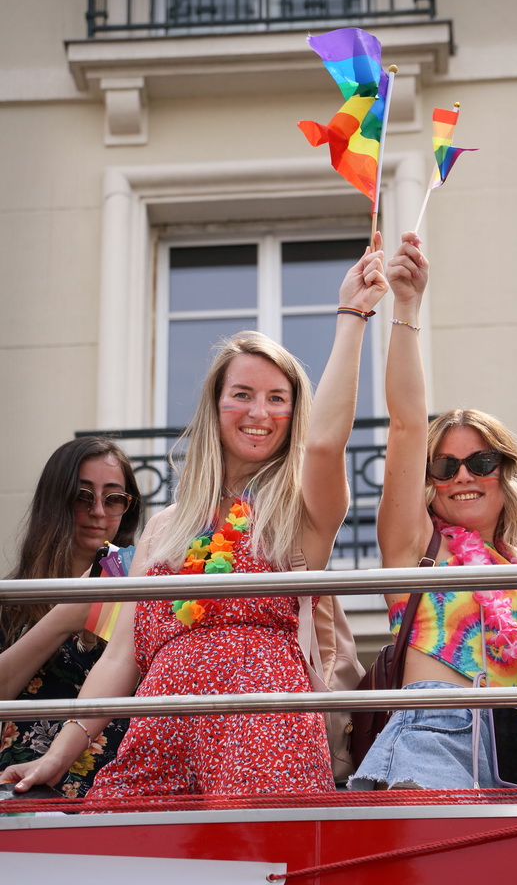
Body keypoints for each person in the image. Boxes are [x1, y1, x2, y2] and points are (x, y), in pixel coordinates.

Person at [1, 239, 388, 798]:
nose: (260, 413)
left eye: (279, 399)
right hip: (157, 730)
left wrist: (352, 316)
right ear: (215, 406)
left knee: (265, 874)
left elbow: (326, 446)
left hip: (260, 729)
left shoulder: (298, 508)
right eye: (244, 395)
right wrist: (58, 756)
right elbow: (123, 656)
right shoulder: (165, 526)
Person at [349, 232, 517, 791]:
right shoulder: (416, 545)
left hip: (515, 750)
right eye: (445, 466)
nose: (462, 474)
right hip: (432, 738)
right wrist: (407, 307)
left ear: (505, 472)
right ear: (430, 483)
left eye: (479, 460)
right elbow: (408, 424)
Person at [0, 437, 141, 796]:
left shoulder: (145, 592)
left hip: (121, 789)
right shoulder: (11, 598)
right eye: (82, 496)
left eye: (113, 499)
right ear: (55, 500)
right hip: (23, 785)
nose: (98, 512)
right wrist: (64, 617)